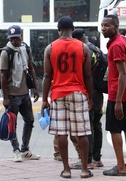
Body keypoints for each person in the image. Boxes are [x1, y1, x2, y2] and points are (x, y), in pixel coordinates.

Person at [41, 15, 94, 179]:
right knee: (82, 133)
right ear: (72, 29)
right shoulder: (83, 47)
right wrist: (90, 97)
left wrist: (44, 99)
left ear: (59, 30)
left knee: (62, 133)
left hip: (58, 93)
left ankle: (66, 170)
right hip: (78, 92)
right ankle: (84, 169)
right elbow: (88, 75)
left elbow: (46, 75)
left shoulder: (50, 48)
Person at [101, 14, 126, 176]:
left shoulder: (116, 45)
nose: (103, 28)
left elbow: (122, 74)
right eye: (102, 25)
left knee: (115, 129)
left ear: (115, 26)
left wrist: (118, 102)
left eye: (107, 25)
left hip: (118, 95)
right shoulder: (124, 40)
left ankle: (121, 167)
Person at [0, 24, 40, 162]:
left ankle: (25, 149)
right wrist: (5, 97)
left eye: (17, 38)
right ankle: (16, 150)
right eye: (12, 39)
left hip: (24, 93)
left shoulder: (25, 49)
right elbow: (3, 76)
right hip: (12, 94)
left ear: (21, 36)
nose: (14, 41)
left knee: (29, 120)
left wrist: (35, 87)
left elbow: (31, 68)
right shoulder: (6, 53)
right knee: (13, 123)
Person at [72, 28, 105, 168]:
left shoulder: (85, 50)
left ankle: (88, 160)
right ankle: (97, 158)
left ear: (77, 39)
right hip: (99, 92)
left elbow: (86, 74)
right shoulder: (97, 49)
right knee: (96, 124)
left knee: (88, 126)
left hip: (89, 92)